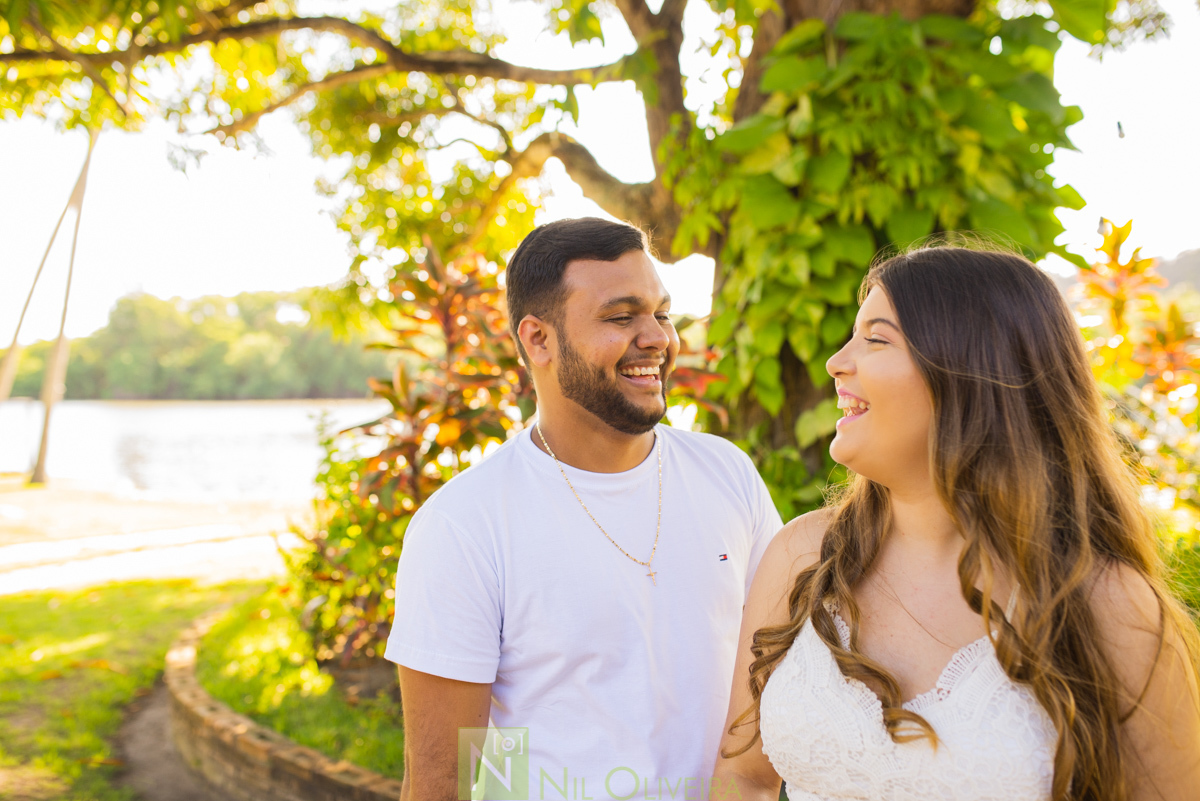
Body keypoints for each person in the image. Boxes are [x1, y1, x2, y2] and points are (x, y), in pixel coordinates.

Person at [713, 247, 1200, 800]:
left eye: (876, 339)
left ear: (970, 369)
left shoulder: (1106, 604)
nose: (837, 362)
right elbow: (743, 776)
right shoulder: (803, 555)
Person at [385, 217, 783, 800]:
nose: (658, 338)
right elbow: (445, 781)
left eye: (662, 314)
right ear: (538, 339)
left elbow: (775, 674)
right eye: (622, 317)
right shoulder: (464, 525)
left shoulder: (727, 474)